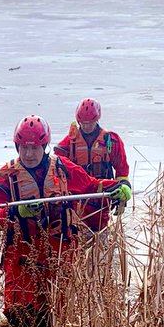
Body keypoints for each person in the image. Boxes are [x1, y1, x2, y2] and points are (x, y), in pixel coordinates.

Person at [0, 115, 130, 327]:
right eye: (24, 148)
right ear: (17, 146)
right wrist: (14, 213)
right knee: (18, 314)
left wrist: (119, 188)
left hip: (60, 252)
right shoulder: (6, 177)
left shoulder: (62, 168)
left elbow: (92, 186)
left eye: (34, 148)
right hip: (22, 257)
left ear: (44, 146)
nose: (29, 154)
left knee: (58, 317)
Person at [54, 98, 129, 233]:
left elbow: (122, 171)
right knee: (79, 231)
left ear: (97, 119)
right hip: (78, 196)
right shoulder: (68, 144)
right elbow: (54, 167)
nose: (86, 126)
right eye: (83, 123)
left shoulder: (111, 141)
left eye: (90, 123)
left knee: (100, 230)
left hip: (102, 194)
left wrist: (123, 193)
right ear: (78, 121)